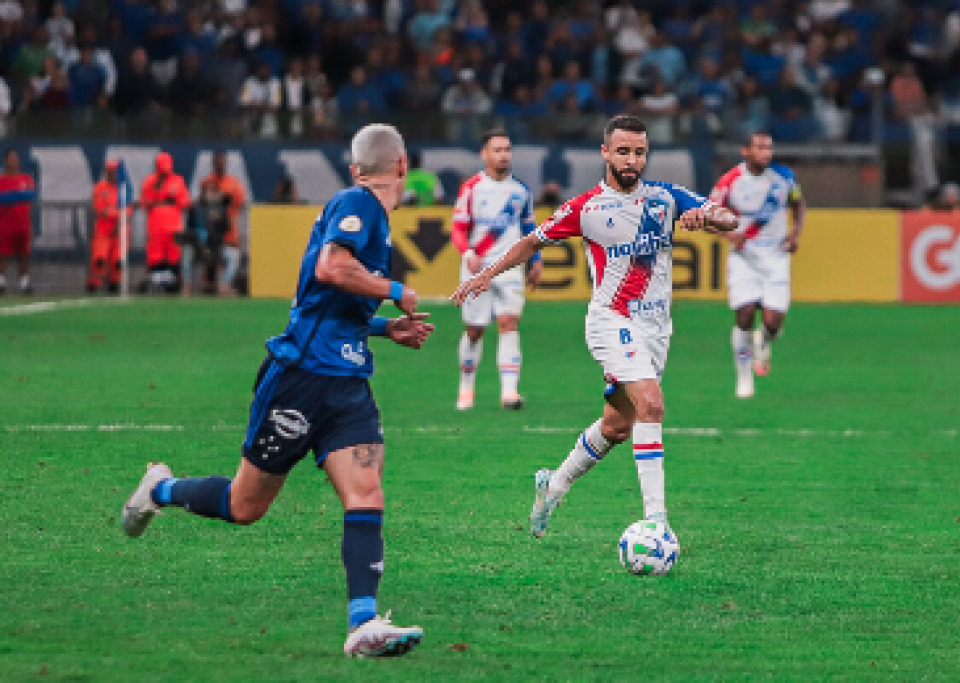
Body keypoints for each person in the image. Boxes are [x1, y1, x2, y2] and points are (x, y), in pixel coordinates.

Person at [121, 123, 433, 658]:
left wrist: (384, 328)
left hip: (348, 383)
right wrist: (396, 291)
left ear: (357, 164)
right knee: (244, 506)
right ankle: (159, 489)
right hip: (300, 378)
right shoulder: (356, 203)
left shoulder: (369, 214)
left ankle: (364, 623)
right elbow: (330, 268)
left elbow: (329, 307)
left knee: (366, 491)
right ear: (401, 165)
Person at [451, 114, 737, 537]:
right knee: (652, 405)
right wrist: (485, 274)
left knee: (616, 426)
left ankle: (555, 482)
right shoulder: (586, 207)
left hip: (656, 328)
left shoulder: (667, 198)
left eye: (639, 152)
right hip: (611, 321)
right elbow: (532, 240)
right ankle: (657, 522)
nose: (631, 160)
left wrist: (709, 218)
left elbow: (728, 218)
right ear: (605, 152)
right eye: (623, 151)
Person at [710, 131, 806, 398]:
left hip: (776, 255)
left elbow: (799, 204)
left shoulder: (784, 177)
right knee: (744, 313)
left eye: (769, 148)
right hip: (744, 256)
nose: (767, 153)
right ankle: (744, 377)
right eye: (760, 148)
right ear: (745, 151)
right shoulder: (730, 181)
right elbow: (709, 215)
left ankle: (764, 339)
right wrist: (730, 234)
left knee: (773, 322)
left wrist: (795, 232)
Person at [451, 130, 542, 410]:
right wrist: (467, 253)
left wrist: (535, 261)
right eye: (497, 150)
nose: (504, 155)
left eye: (507, 149)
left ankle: (509, 393)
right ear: (485, 154)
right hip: (478, 269)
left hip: (509, 268)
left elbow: (529, 229)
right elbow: (458, 228)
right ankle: (466, 387)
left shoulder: (520, 191)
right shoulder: (471, 188)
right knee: (475, 330)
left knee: (509, 323)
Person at [140, 152, 190, 293]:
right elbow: (145, 202)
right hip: (155, 228)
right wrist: (163, 199)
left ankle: (172, 287)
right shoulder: (149, 181)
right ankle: (157, 285)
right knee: (155, 258)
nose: (165, 173)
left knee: (174, 258)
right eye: (162, 169)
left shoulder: (178, 180)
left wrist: (164, 201)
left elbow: (184, 202)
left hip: (174, 228)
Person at [199, 150, 246, 295]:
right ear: (213, 163)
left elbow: (236, 204)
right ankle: (208, 286)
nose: (219, 163)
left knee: (233, 257)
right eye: (217, 161)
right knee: (209, 256)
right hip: (209, 234)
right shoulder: (206, 182)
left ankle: (224, 286)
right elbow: (201, 207)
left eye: (222, 161)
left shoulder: (234, 183)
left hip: (228, 234)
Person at [87, 160, 130, 293]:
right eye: (109, 172)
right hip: (103, 230)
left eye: (114, 172)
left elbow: (127, 210)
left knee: (118, 262)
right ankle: (93, 286)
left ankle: (114, 286)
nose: (112, 175)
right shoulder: (100, 187)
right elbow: (100, 209)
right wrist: (116, 212)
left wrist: (115, 217)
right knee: (99, 259)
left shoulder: (124, 189)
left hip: (120, 230)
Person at [0, 149, 37, 295]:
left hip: (23, 224)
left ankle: (25, 283)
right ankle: (1, 282)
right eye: (10, 158)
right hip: (5, 224)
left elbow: (31, 195)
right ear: (5, 161)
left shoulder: (26, 178)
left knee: (24, 255)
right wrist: (18, 196)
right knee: (3, 254)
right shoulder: (2, 180)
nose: (13, 161)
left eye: (15, 158)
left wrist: (11, 197)